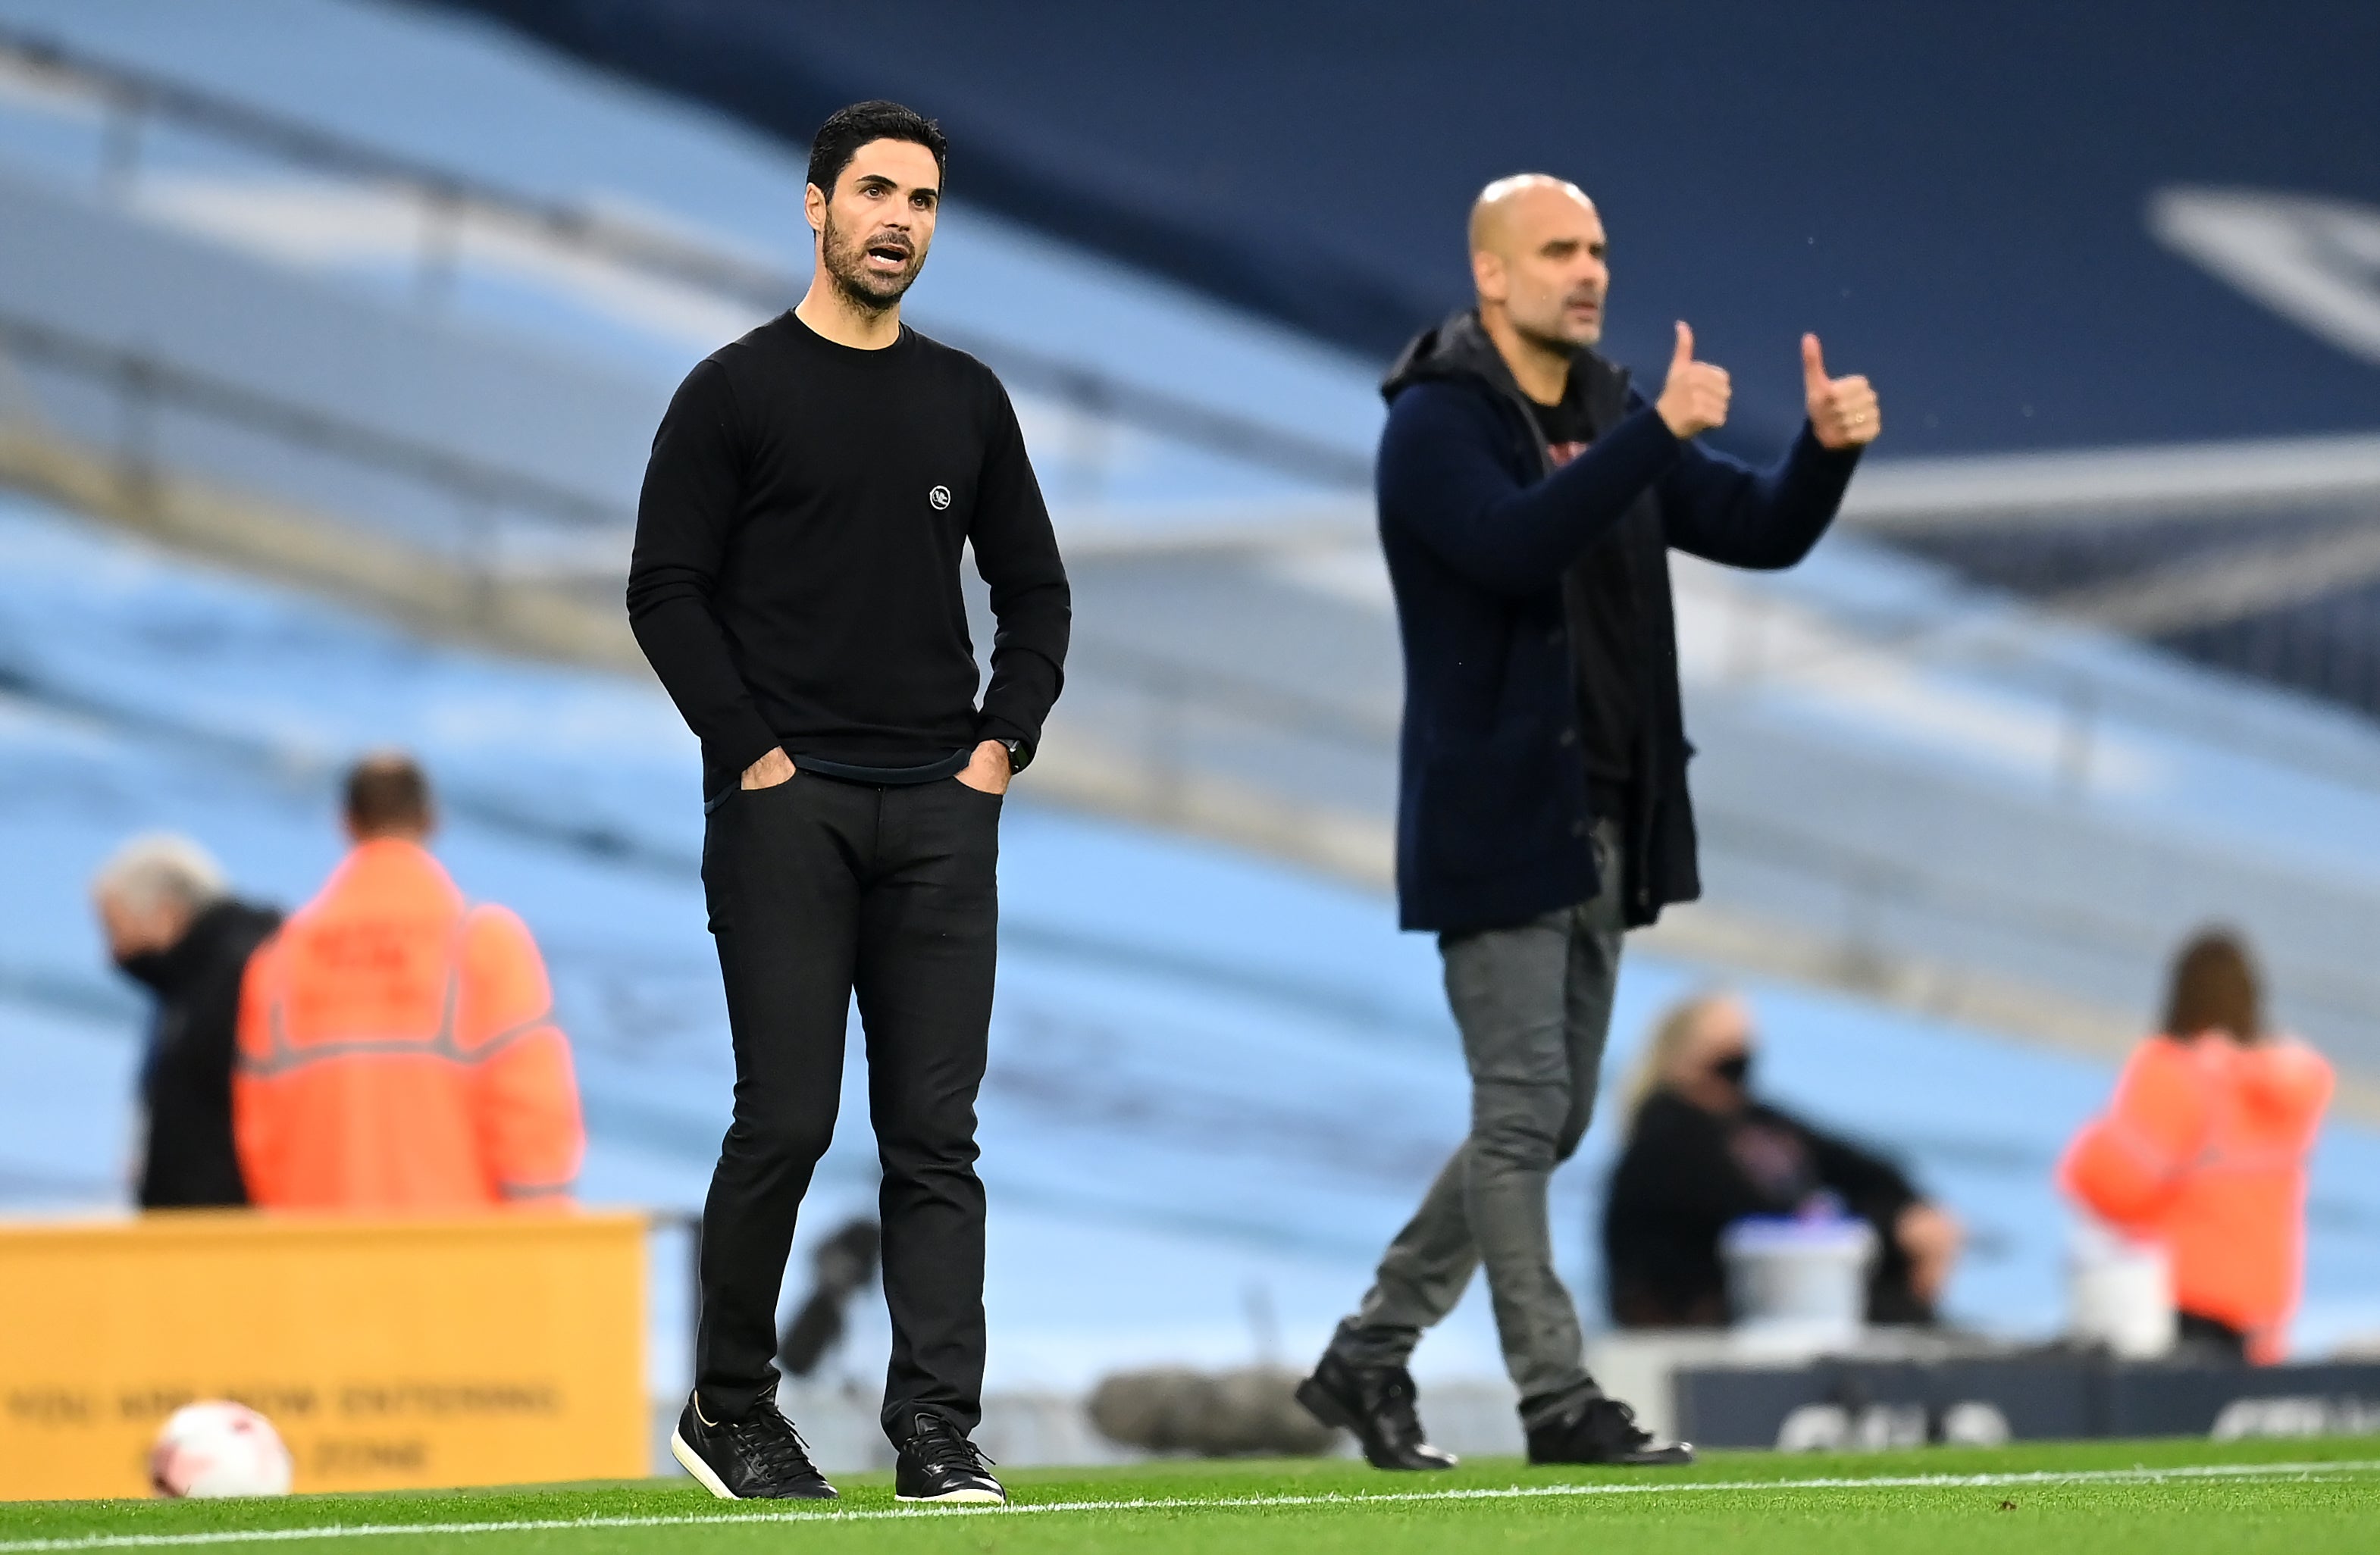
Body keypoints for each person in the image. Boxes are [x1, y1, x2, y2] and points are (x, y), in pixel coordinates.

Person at [1295, 174, 1881, 1472]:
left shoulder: (1616, 409)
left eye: (1601, 247)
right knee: (1521, 1114)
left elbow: (1758, 529)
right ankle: (1558, 1399)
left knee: (1545, 1121)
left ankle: (1367, 1357)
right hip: (1496, 818)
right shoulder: (1438, 423)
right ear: (1490, 276)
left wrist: (1823, 453)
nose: (1590, 269)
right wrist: (1653, 436)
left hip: (1606, 820)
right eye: (1559, 249)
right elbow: (1509, 547)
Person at [626, 100, 1068, 1506]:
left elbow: (1037, 589)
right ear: (812, 207)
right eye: (875, 192)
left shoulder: (966, 399)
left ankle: (936, 1431)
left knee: (938, 1136)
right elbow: (664, 588)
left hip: (942, 805)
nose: (899, 219)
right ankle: (730, 1406)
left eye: (923, 201)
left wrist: (1002, 744)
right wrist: (753, 750)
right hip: (787, 808)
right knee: (789, 1119)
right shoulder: (735, 390)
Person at [232, 752, 584, 1212]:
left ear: (346, 824)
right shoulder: (485, 946)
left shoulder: (278, 960)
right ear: (431, 820)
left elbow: (261, 1140)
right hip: (457, 1262)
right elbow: (533, 1119)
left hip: (321, 1263)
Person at [1602, 992, 1962, 1328]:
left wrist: (1911, 1216)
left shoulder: (1763, 1123)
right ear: (1681, 1058)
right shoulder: (1666, 1140)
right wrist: (1885, 1234)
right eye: (1723, 1056)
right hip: (1716, 1312)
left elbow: (1862, 1168)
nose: (1737, 1068)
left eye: (1744, 1053)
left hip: (1790, 1298)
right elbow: (1761, 1218)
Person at [2059, 930, 2331, 1363]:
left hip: (2176, 1297)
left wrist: (2090, 1146)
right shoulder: (2288, 1088)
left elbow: (2114, 1185)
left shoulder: (2177, 1074)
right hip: (2261, 1304)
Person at [91, 834, 279, 1209]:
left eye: (116, 929)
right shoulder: (191, 982)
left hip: (222, 1238)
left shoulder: (237, 977)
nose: (113, 955)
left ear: (166, 914)